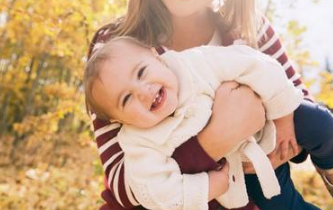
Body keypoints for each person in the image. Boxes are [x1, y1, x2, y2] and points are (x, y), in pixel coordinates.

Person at [88, 0, 331, 209]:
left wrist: (279, 141)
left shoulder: (250, 28)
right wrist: (213, 143)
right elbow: (123, 183)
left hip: (260, 171)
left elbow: (301, 105)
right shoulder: (116, 48)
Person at [84, 36, 333, 210]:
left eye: (141, 73)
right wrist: (206, 187)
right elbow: (154, 188)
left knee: (321, 123)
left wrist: (284, 116)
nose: (143, 91)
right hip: (243, 171)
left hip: (271, 122)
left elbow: (255, 64)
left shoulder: (194, 64)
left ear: (156, 58)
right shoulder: (139, 142)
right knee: (280, 204)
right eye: (126, 98)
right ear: (117, 120)